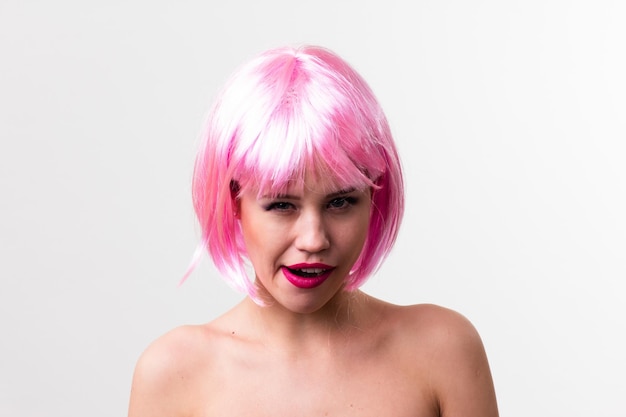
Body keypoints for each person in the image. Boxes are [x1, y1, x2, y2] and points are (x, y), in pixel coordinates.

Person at [128, 45, 499, 417]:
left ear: (374, 196)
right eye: (281, 205)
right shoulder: (174, 374)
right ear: (234, 203)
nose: (313, 240)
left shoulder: (443, 351)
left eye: (340, 203)